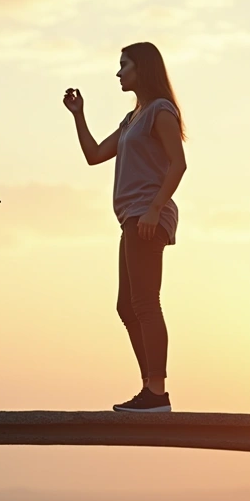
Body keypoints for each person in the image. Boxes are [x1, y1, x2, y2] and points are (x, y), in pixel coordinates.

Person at [62, 42, 187, 413]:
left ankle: (157, 393)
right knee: (127, 306)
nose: (118, 73)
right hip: (132, 217)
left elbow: (179, 165)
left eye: (124, 66)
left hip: (147, 215)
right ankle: (150, 389)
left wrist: (153, 210)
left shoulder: (160, 111)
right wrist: (78, 115)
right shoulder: (134, 118)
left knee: (145, 302)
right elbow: (95, 155)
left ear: (142, 69)